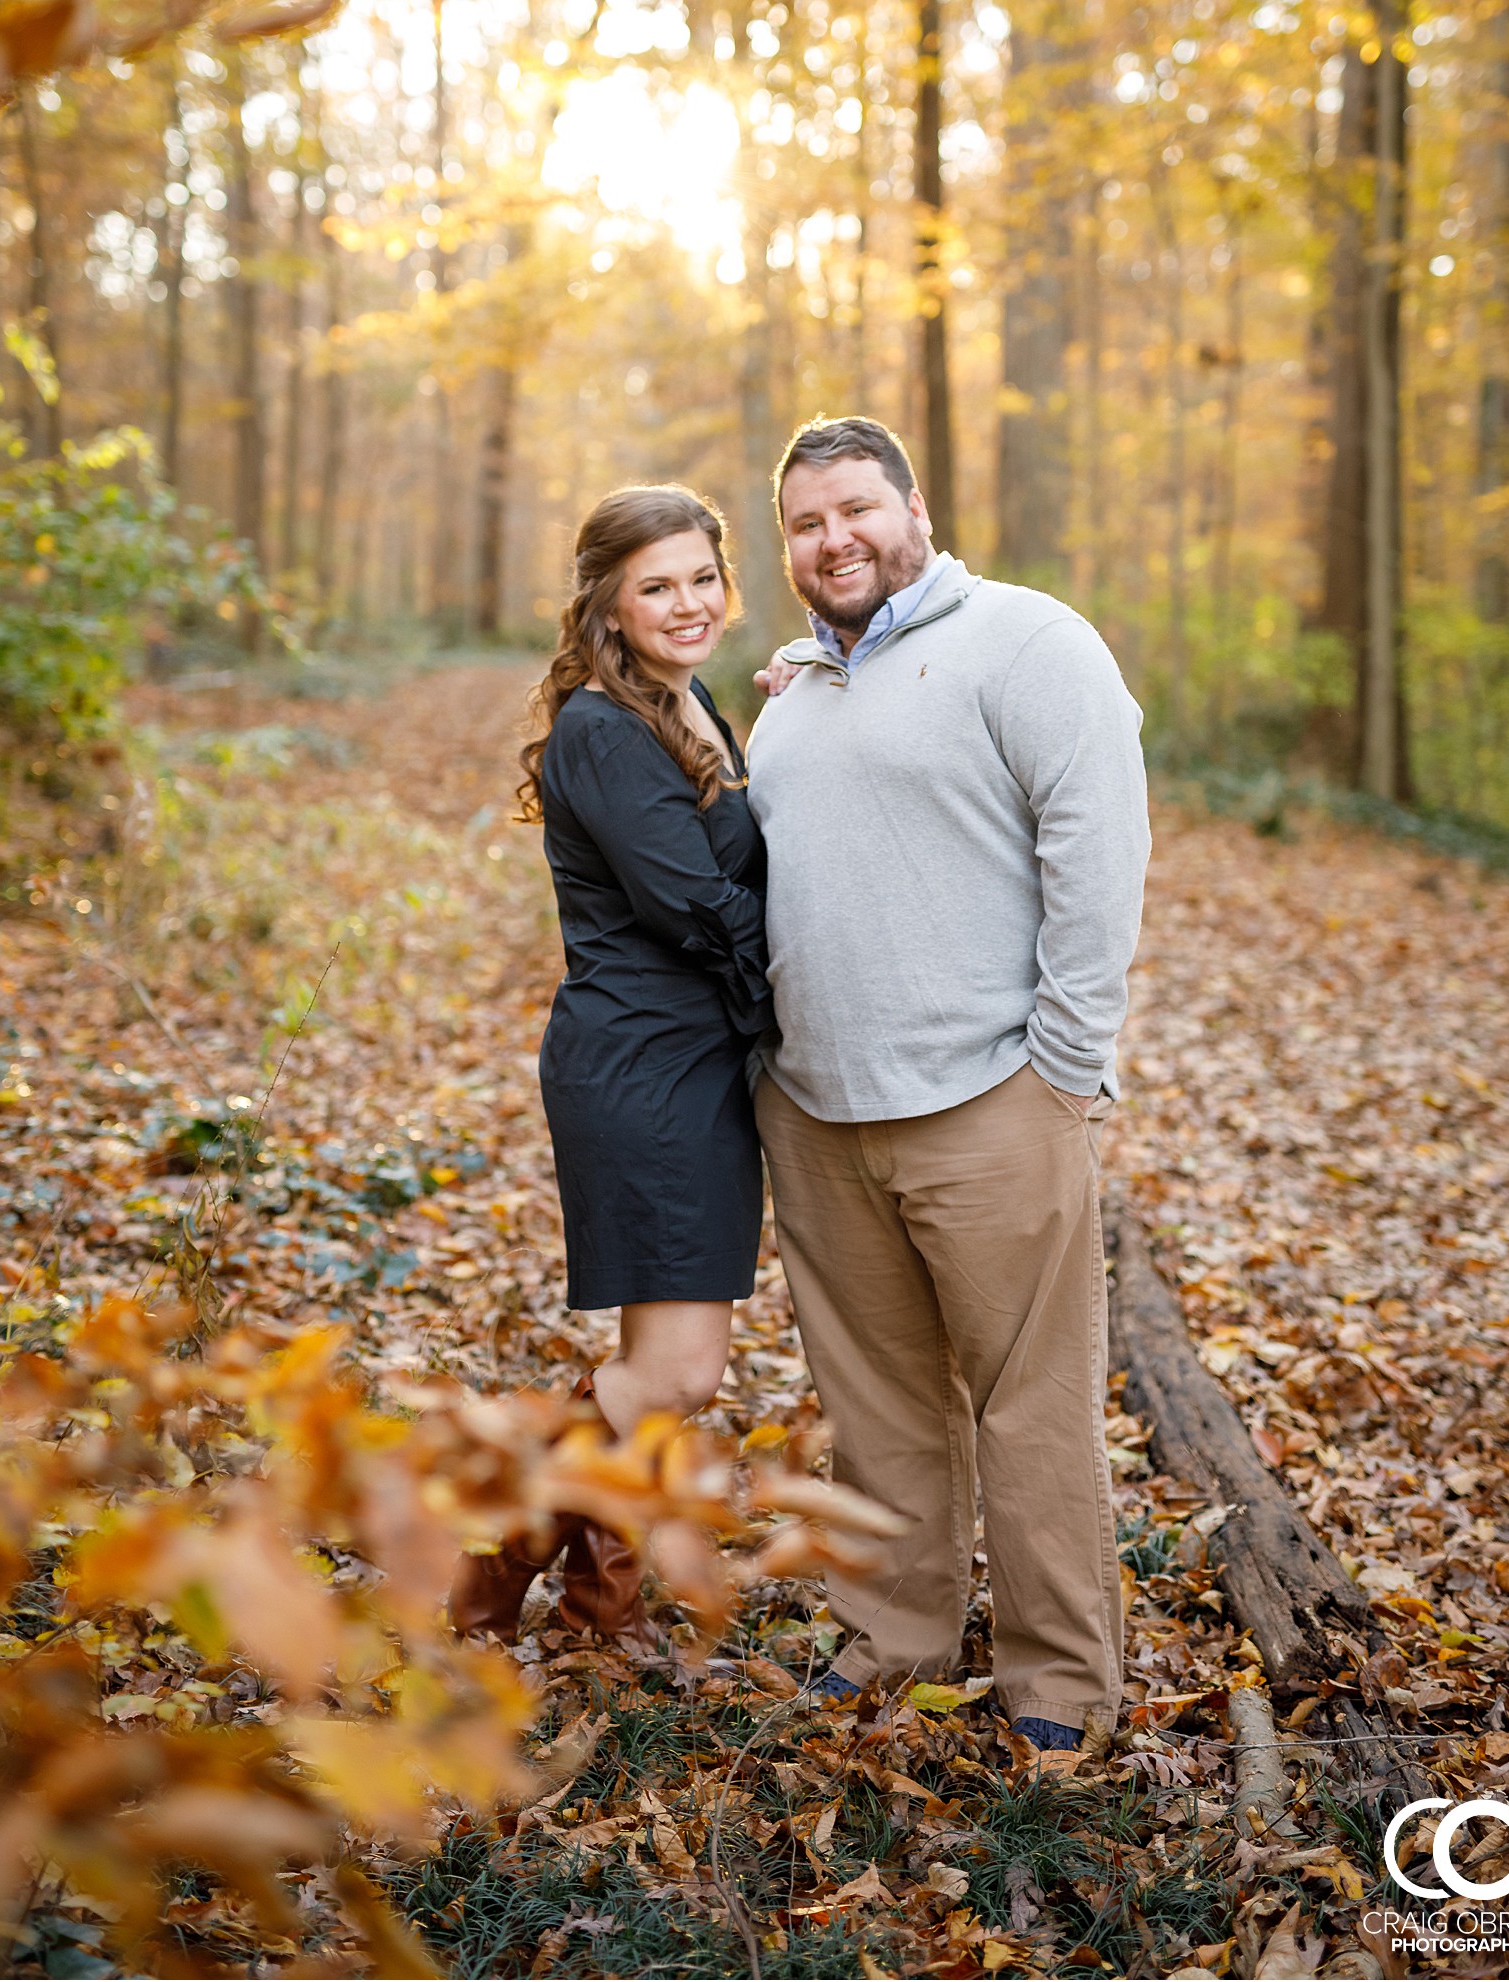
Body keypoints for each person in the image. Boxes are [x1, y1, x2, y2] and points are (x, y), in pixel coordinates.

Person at [745, 416, 1150, 1751]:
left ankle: (1061, 1691)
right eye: (806, 522)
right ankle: (892, 1638)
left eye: (857, 508)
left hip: (990, 1104)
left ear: (914, 507)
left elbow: (1101, 847)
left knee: (1030, 1410)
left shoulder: (1028, 641)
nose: (834, 538)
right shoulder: (794, 690)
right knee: (878, 1410)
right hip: (817, 1113)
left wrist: (1065, 1068)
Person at [449, 484, 772, 1648]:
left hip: (690, 1061)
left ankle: (597, 1611)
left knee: (658, 1364)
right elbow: (694, 902)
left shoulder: (687, 708)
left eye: (700, 578)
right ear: (608, 605)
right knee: (677, 1373)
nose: (686, 603)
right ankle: (496, 1577)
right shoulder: (602, 724)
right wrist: (813, 969)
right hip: (644, 1070)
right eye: (655, 585)